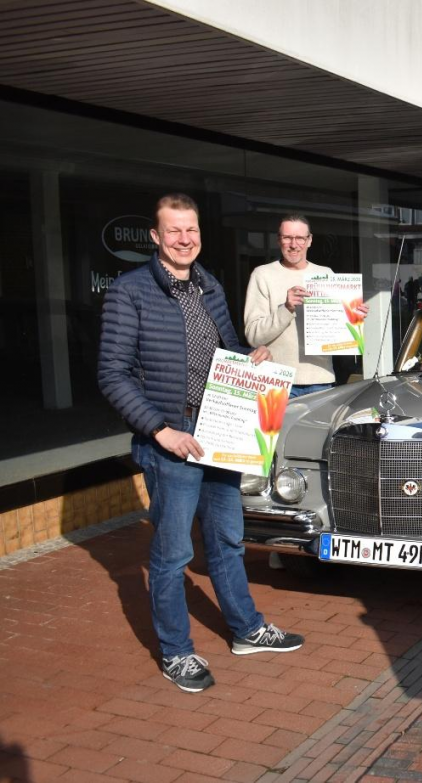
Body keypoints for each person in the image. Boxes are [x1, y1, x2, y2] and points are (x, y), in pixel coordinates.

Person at [98, 194, 305, 694]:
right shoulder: (130, 292)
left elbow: (225, 349)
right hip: (172, 442)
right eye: (174, 231)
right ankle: (176, 652)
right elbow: (112, 374)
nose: (184, 239)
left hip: (223, 433)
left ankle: (246, 629)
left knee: (228, 541)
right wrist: (159, 430)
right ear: (155, 236)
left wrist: (248, 357)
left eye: (190, 230)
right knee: (171, 556)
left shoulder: (208, 284)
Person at [243, 214, 368, 399]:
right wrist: (286, 309)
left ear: (309, 240)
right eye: (287, 238)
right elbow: (253, 336)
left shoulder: (325, 274)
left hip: (321, 379)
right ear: (279, 240)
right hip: (277, 381)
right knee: (281, 430)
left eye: (300, 238)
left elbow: (338, 335)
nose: (294, 245)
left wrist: (352, 317)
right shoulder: (262, 275)